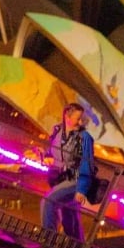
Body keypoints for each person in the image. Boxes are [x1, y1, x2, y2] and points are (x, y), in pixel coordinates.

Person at [40, 103, 96, 240]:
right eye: (78, 118)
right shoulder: (57, 130)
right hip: (59, 178)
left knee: (48, 201)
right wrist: (45, 156)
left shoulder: (84, 137)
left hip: (74, 180)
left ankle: (49, 240)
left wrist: (81, 190)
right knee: (69, 215)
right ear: (67, 116)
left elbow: (87, 164)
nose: (81, 122)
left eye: (81, 118)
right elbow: (51, 151)